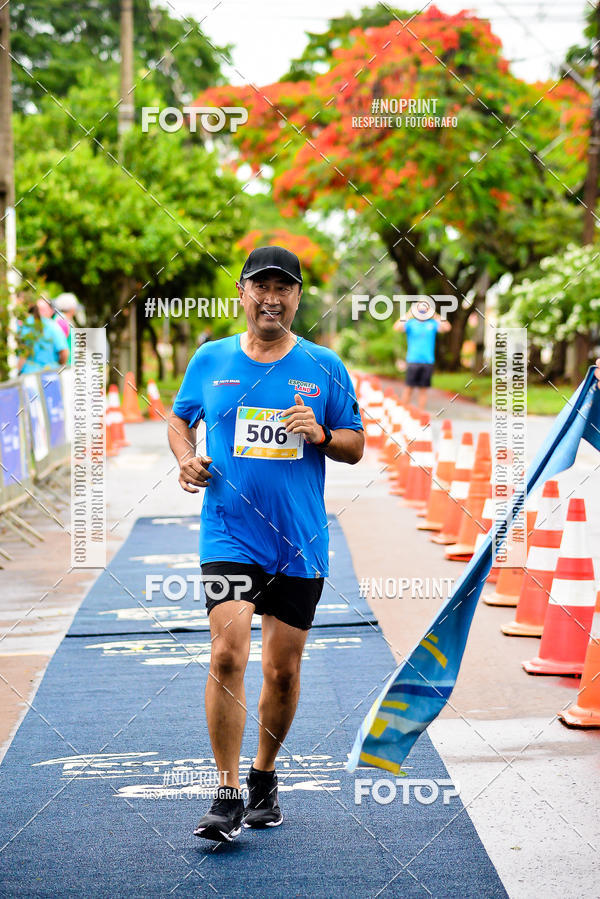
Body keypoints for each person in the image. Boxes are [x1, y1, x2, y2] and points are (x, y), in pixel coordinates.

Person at [168, 245, 364, 842]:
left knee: (282, 671)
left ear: (298, 298)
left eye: (284, 288)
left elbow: (356, 444)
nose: (271, 298)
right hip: (228, 531)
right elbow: (179, 418)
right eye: (261, 286)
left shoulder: (323, 364)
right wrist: (185, 459)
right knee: (228, 654)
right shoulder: (210, 359)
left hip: (297, 540)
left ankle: (264, 778)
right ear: (243, 295)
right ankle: (226, 793)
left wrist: (323, 433)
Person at [393, 302, 451, 409]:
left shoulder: (432, 323)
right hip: (413, 360)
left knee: (423, 390)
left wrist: (434, 314)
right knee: (408, 388)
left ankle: (420, 416)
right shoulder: (410, 323)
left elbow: (447, 327)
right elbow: (396, 327)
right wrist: (409, 313)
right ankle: (402, 412)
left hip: (427, 361)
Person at [17, 299, 69, 374]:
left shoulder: (26, 324)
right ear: (51, 311)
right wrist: (59, 365)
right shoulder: (53, 327)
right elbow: (64, 352)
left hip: (28, 373)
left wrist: (19, 370)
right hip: (49, 372)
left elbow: (23, 351)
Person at [53, 293, 80, 363]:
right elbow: (60, 346)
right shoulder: (62, 321)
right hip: (66, 365)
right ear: (72, 309)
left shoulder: (60, 318)